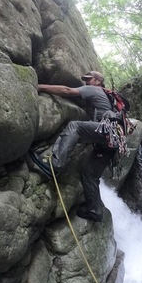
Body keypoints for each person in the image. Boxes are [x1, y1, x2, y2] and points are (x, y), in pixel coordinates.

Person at [30, 71, 121, 222]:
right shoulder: (108, 98)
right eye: (85, 80)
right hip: (113, 141)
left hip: (105, 131)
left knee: (75, 127)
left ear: (98, 81)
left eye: (89, 79)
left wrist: (40, 87)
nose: (86, 82)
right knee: (89, 174)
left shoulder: (94, 89)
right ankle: (95, 210)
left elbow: (67, 91)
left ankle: (54, 163)